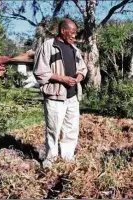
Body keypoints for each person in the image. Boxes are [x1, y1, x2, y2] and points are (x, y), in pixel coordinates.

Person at [33, 18, 88, 168]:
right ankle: (50, 160)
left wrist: (78, 78)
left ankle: (68, 157)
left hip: (73, 96)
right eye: (72, 32)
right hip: (55, 96)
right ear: (63, 30)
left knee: (71, 129)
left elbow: (83, 68)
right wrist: (62, 79)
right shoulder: (48, 46)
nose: (74, 36)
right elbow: (40, 72)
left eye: (75, 33)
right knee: (53, 129)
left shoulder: (74, 49)